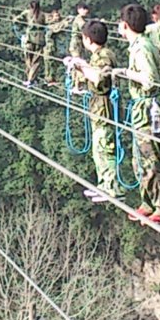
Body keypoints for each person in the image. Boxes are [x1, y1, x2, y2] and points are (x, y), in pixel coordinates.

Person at [112, 3, 160, 226]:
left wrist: (127, 73)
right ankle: (147, 202)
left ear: (126, 25)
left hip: (149, 109)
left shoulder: (143, 48)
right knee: (139, 160)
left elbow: (149, 80)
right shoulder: (139, 45)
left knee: (150, 160)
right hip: (141, 110)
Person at [65, 20, 122, 202]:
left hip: (103, 108)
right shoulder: (100, 54)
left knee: (104, 146)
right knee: (99, 148)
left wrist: (80, 65)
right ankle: (104, 184)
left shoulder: (103, 56)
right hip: (98, 107)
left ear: (88, 39)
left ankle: (111, 187)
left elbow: (98, 78)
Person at [12, 0, 46, 87]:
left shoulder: (27, 13)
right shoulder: (43, 15)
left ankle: (29, 78)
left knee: (28, 60)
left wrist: (16, 22)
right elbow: (51, 21)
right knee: (36, 61)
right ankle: (31, 79)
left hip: (29, 39)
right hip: (39, 39)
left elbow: (16, 20)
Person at [44, 10, 71, 86]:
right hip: (50, 48)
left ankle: (66, 79)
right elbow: (56, 28)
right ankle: (49, 79)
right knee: (50, 65)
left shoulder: (61, 22)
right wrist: (65, 22)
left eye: (58, 16)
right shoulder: (50, 25)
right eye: (56, 16)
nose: (57, 17)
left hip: (61, 48)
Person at [67, 3, 90, 94]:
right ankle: (77, 85)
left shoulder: (82, 19)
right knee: (78, 63)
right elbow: (84, 27)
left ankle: (77, 85)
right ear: (79, 10)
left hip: (79, 43)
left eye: (86, 9)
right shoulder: (79, 19)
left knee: (78, 62)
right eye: (83, 9)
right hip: (76, 43)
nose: (85, 11)